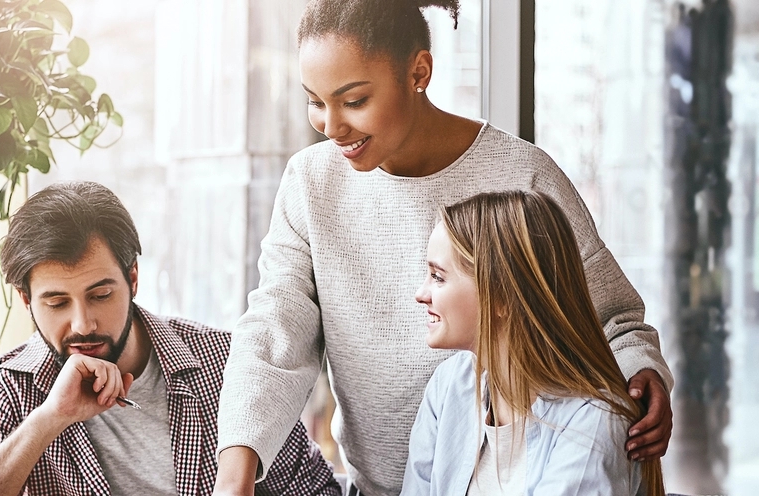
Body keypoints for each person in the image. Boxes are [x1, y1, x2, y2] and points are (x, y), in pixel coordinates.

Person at [213, 1, 673, 494]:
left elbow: (611, 318)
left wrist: (639, 370)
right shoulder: (310, 182)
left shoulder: (523, 177)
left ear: (418, 72)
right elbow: (275, 330)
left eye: (353, 100)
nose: (330, 125)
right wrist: (236, 470)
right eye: (315, 101)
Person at [0, 181, 340, 496]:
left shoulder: (227, 363)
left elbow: (314, 490)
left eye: (100, 294)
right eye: (57, 302)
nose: (82, 324)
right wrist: (49, 419)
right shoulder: (8, 386)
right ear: (26, 300)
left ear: (132, 278)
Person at [401, 191, 664, 495]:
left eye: (438, 277)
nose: (421, 294)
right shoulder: (447, 388)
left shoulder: (594, 421)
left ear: (500, 295)